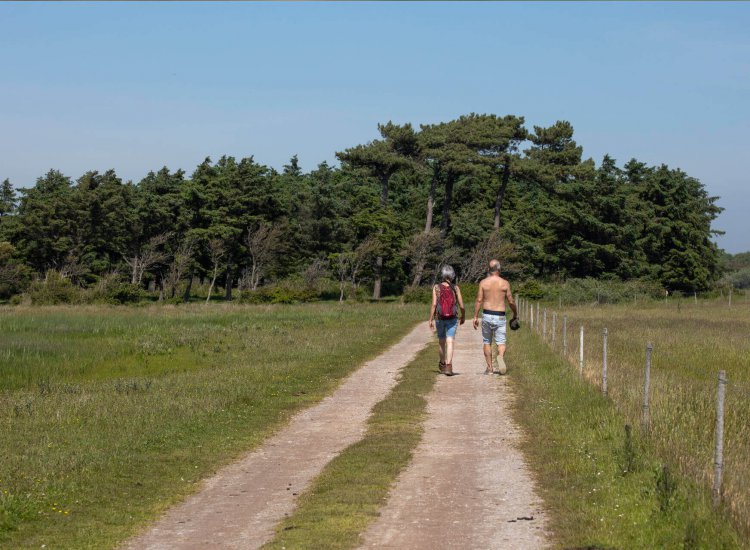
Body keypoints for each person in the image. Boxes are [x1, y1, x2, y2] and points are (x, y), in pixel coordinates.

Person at [473, 259, 518, 375]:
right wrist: (515, 314)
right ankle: (501, 356)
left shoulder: (483, 283)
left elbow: (479, 300)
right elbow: (511, 301)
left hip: (487, 314)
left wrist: (475, 316)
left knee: (487, 341)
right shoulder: (505, 283)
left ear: (489, 269)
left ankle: (489, 368)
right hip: (500, 316)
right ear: (499, 269)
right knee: (501, 342)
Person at [428, 265, 465, 376]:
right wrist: (463, 316)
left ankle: (442, 363)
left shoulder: (436, 287)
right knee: (450, 341)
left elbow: (434, 304)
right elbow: (462, 305)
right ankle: (449, 366)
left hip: (440, 318)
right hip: (452, 318)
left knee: (441, 341)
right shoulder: (456, 288)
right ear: (452, 275)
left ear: (442, 275)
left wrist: (430, 319)